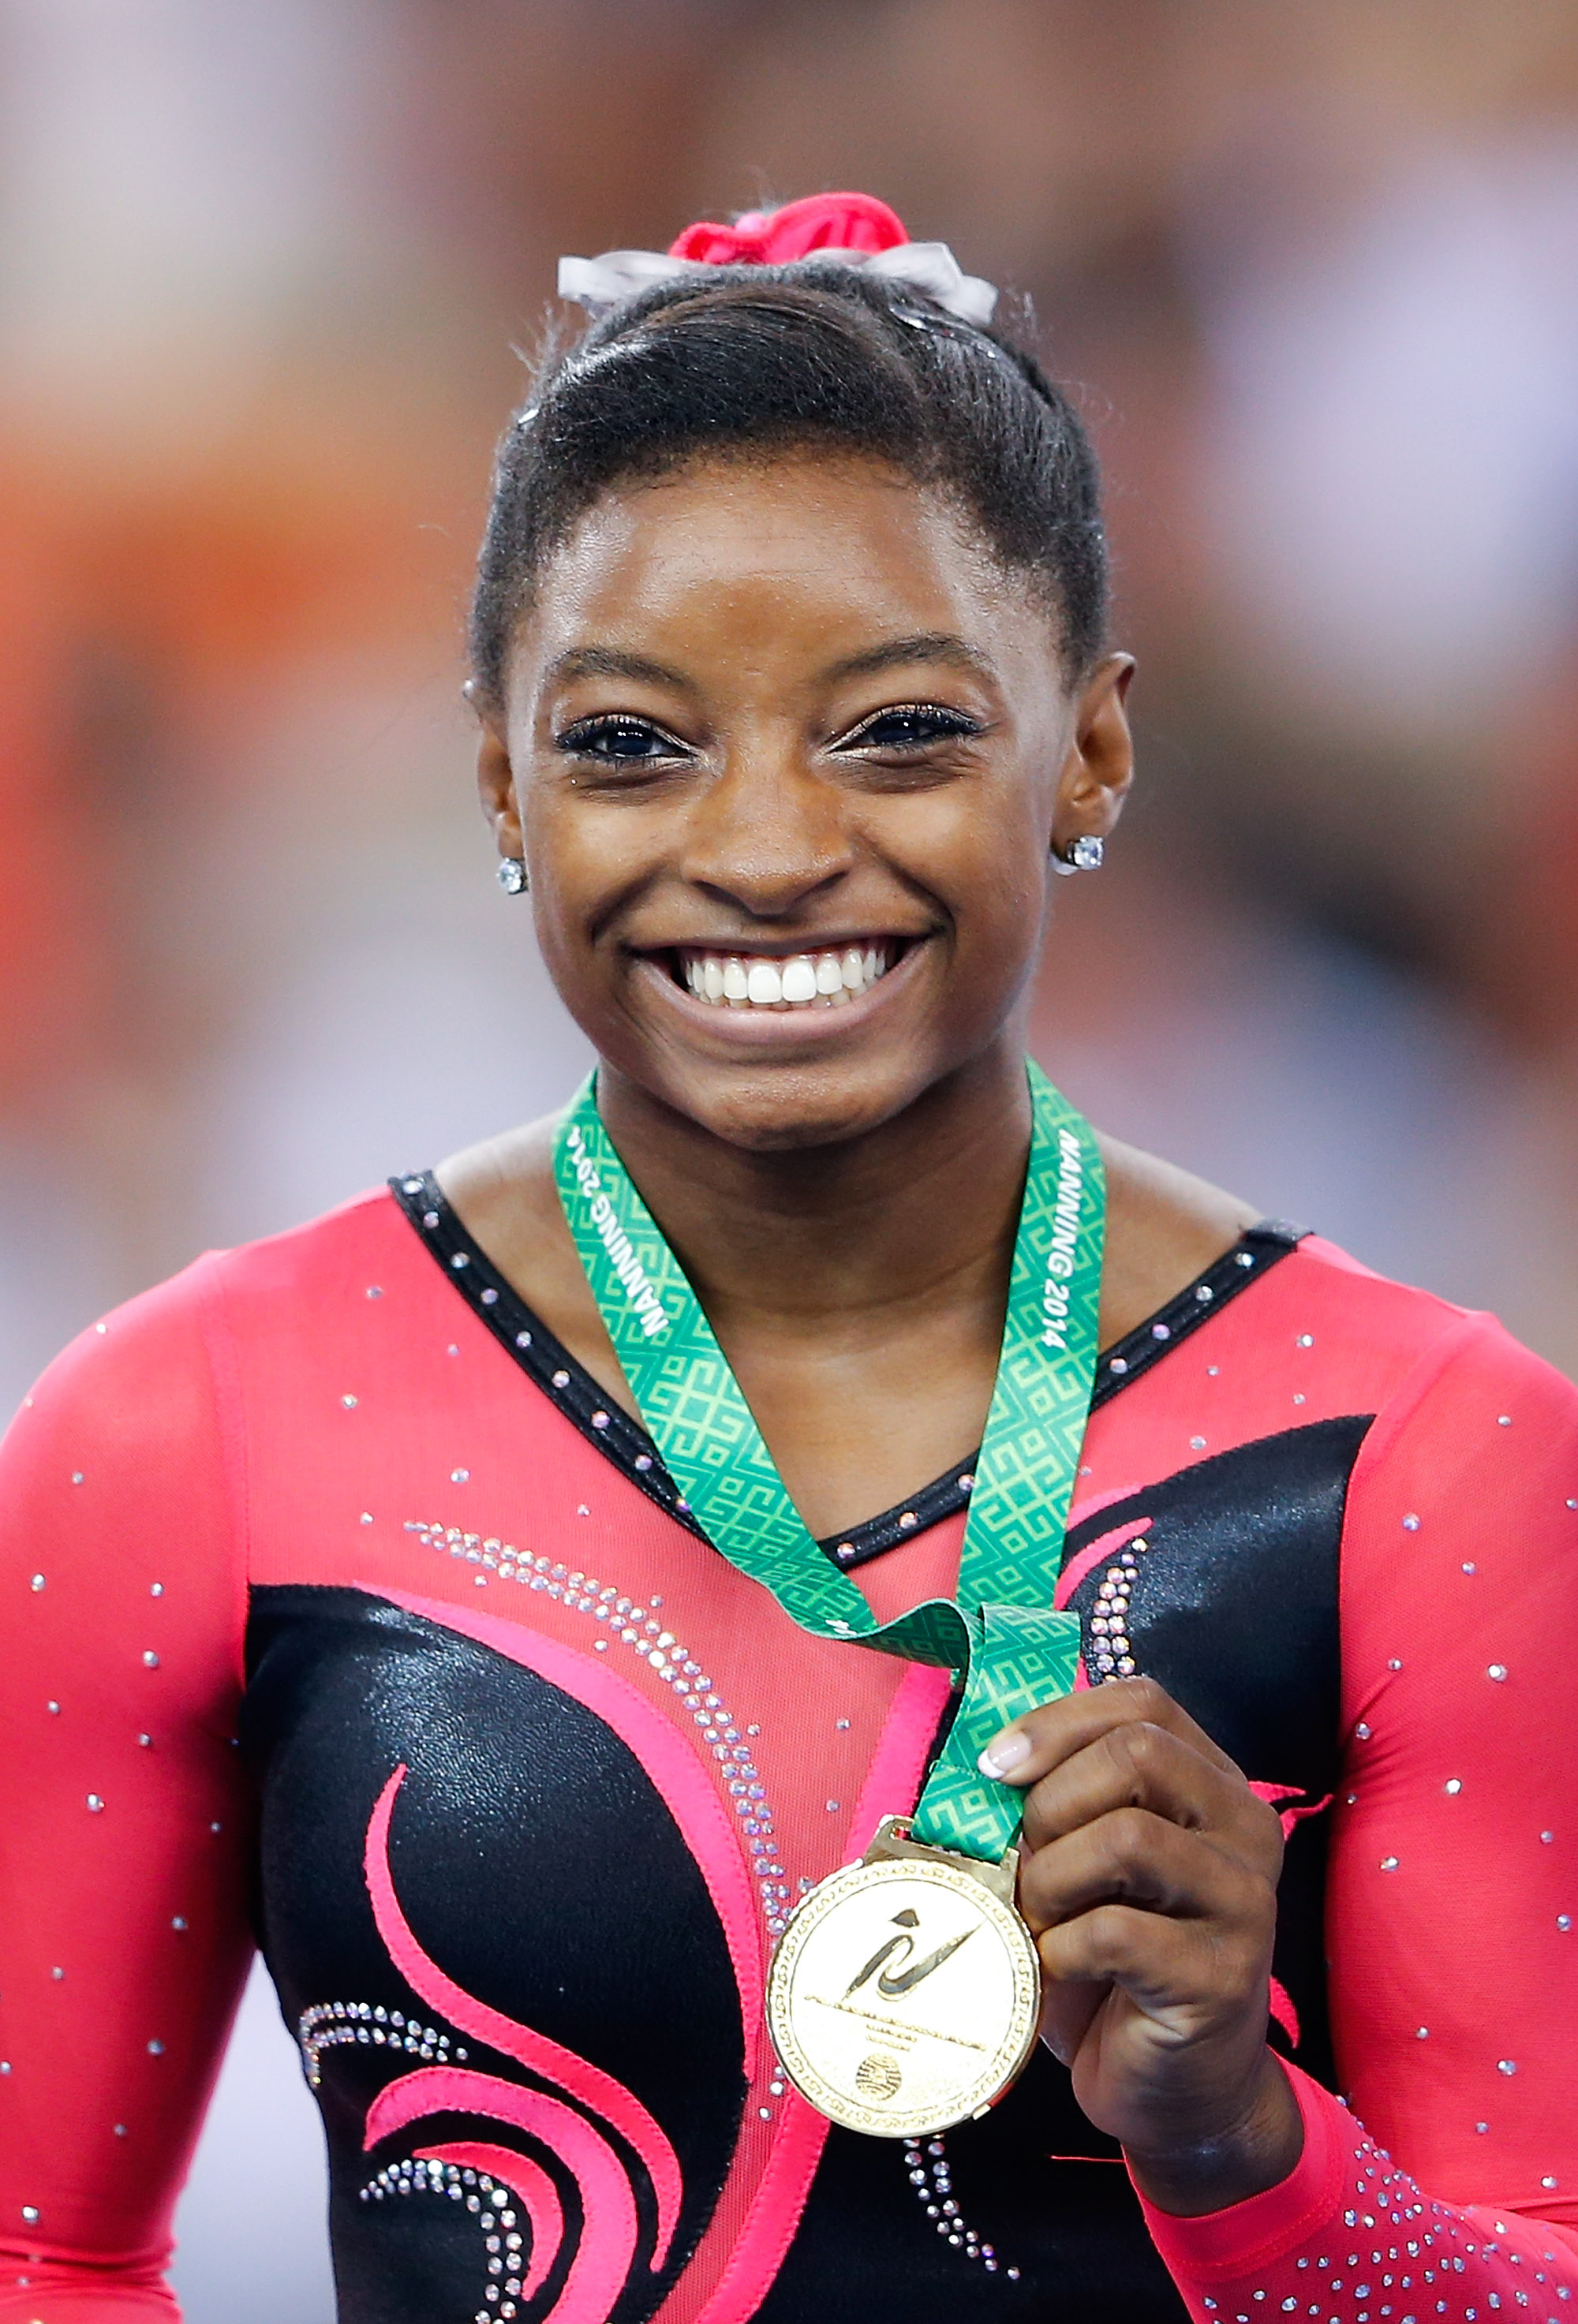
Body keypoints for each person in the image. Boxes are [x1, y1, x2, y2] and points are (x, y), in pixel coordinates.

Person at [2, 190, 1575, 2324]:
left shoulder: (1430, 1462)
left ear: (1090, 744)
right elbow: (36, 2261)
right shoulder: (183, 1430)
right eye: (631, 742)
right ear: (499, 779)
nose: (762, 850)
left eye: (900, 728)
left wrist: (1244, 2146)